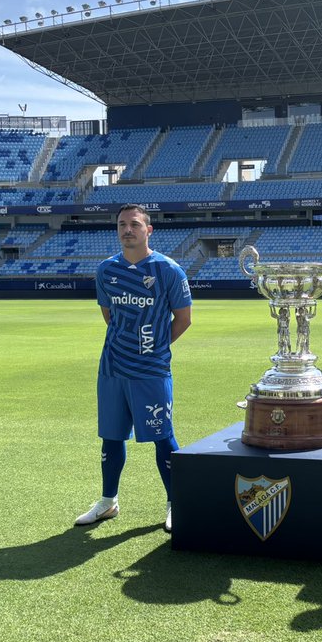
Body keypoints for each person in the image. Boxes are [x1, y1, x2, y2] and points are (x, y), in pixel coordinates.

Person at [75, 204, 192, 533]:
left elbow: (183, 319)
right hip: (112, 368)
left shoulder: (167, 270)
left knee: (163, 438)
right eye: (122, 225)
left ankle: (176, 503)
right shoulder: (106, 271)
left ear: (148, 230)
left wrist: (154, 346)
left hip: (151, 370)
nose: (128, 229)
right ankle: (108, 501)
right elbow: (109, 315)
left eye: (135, 224)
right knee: (111, 438)